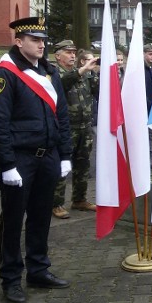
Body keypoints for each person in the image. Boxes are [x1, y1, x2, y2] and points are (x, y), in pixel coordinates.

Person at [0, 17, 73, 303]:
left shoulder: (49, 73)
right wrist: (6, 165)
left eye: (43, 40)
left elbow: (62, 116)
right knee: (12, 220)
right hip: (20, 160)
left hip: (47, 157)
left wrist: (65, 154)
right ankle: (10, 278)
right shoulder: (2, 75)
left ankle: (38, 269)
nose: (41, 44)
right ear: (19, 41)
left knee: (40, 216)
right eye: (35, 40)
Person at [52, 44, 99, 219]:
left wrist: (99, 72)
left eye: (73, 52)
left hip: (84, 126)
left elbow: (99, 90)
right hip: (66, 128)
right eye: (68, 53)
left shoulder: (84, 74)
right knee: (62, 167)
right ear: (58, 56)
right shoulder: (54, 73)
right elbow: (62, 85)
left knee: (83, 164)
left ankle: (79, 199)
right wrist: (82, 71)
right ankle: (56, 203)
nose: (72, 56)